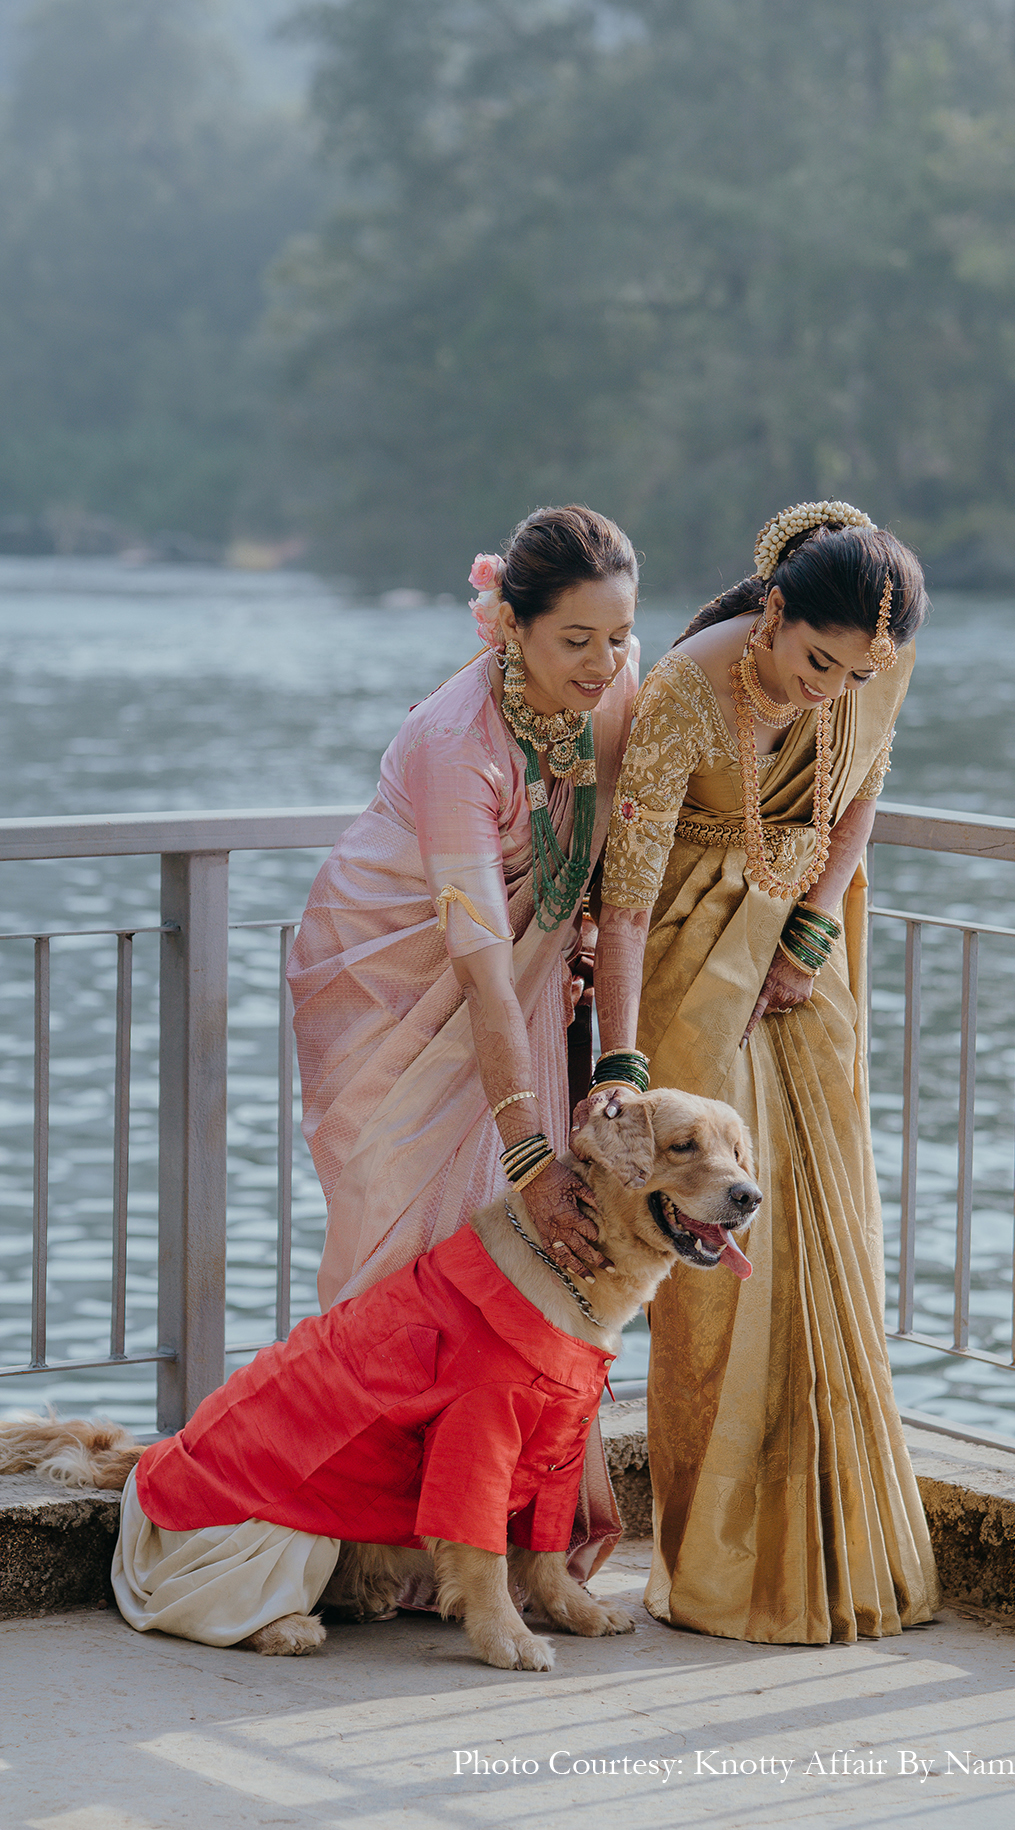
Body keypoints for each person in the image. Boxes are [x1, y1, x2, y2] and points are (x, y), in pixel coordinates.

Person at [591, 500, 941, 1643]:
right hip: (691, 973)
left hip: (806, 964)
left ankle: (833, 1558)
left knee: (827, 1245)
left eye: (852, 675)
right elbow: (627, 899)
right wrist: (626, 1067)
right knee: (711, 1287)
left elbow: (862, 794)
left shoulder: (866, 671)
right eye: (812, 662)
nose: (826, 691)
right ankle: (721, 1568)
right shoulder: (687, 693)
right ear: (774, 613)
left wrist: (808, 930)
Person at [288, 504, 639, 1581]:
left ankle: (483, 1539)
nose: (601, 664)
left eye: (619, 637)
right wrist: (533, 1153)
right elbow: (480, 965)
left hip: (521, 989)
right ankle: (356, 1548)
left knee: (510, 1265)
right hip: (389, 986)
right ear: (508, 627)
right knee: (399, 1253)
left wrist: (611, 1056)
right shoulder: (454, 743)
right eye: (574, 640)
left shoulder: (613, 696)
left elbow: (617, 879)